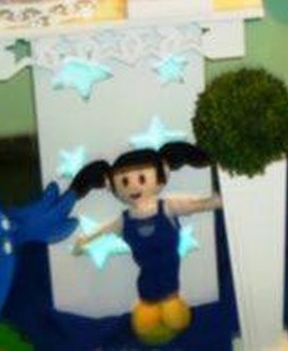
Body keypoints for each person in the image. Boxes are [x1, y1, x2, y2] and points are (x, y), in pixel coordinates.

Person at [71, 142, 219, 345]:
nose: (133, 187)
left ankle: (171, 305)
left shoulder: (167, 207)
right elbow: (105, 230)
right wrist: (85, 241)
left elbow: (194, 205)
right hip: (145, 279)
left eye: (142, 178)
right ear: (112, 185)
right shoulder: (124, 219)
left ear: (162, 173)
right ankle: (150, 309)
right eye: (125, 181)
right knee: (146, 303)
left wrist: (214, 201)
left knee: (170, 304)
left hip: (169, 277)